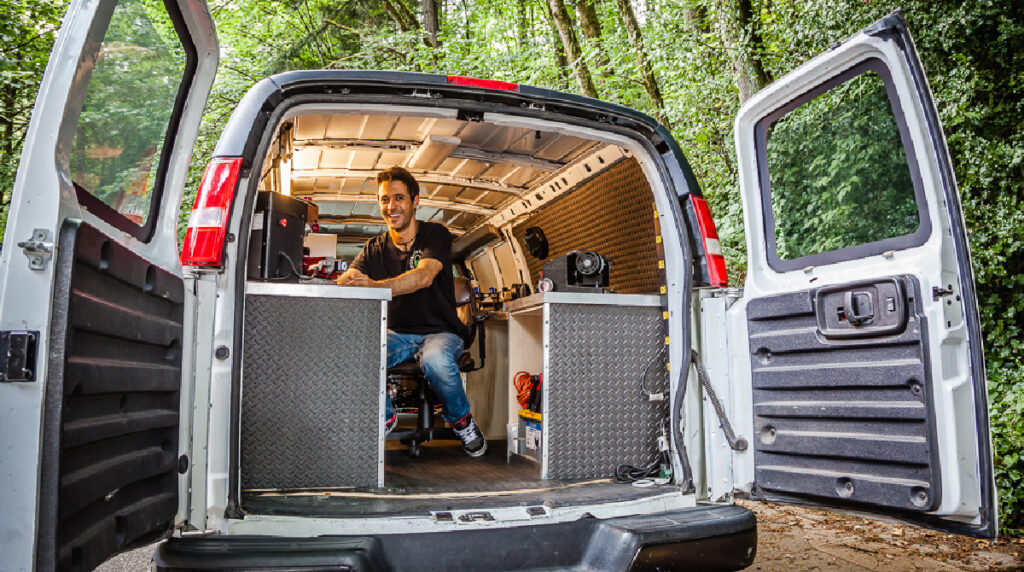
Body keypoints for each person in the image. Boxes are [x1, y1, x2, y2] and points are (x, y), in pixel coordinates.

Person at [336, 166, 486, 457]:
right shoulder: (372, 248)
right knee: (353, 353)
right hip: (397, 334)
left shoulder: (435, 235)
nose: (391, 206)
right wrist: (347, 280)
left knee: (437, 362)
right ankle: (385, 416)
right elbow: (347, 279)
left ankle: (462, 422)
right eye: (384, 199)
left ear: (415, 201)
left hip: (441, 332)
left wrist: (374, 285)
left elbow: (424, 277)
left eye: (399, 198)